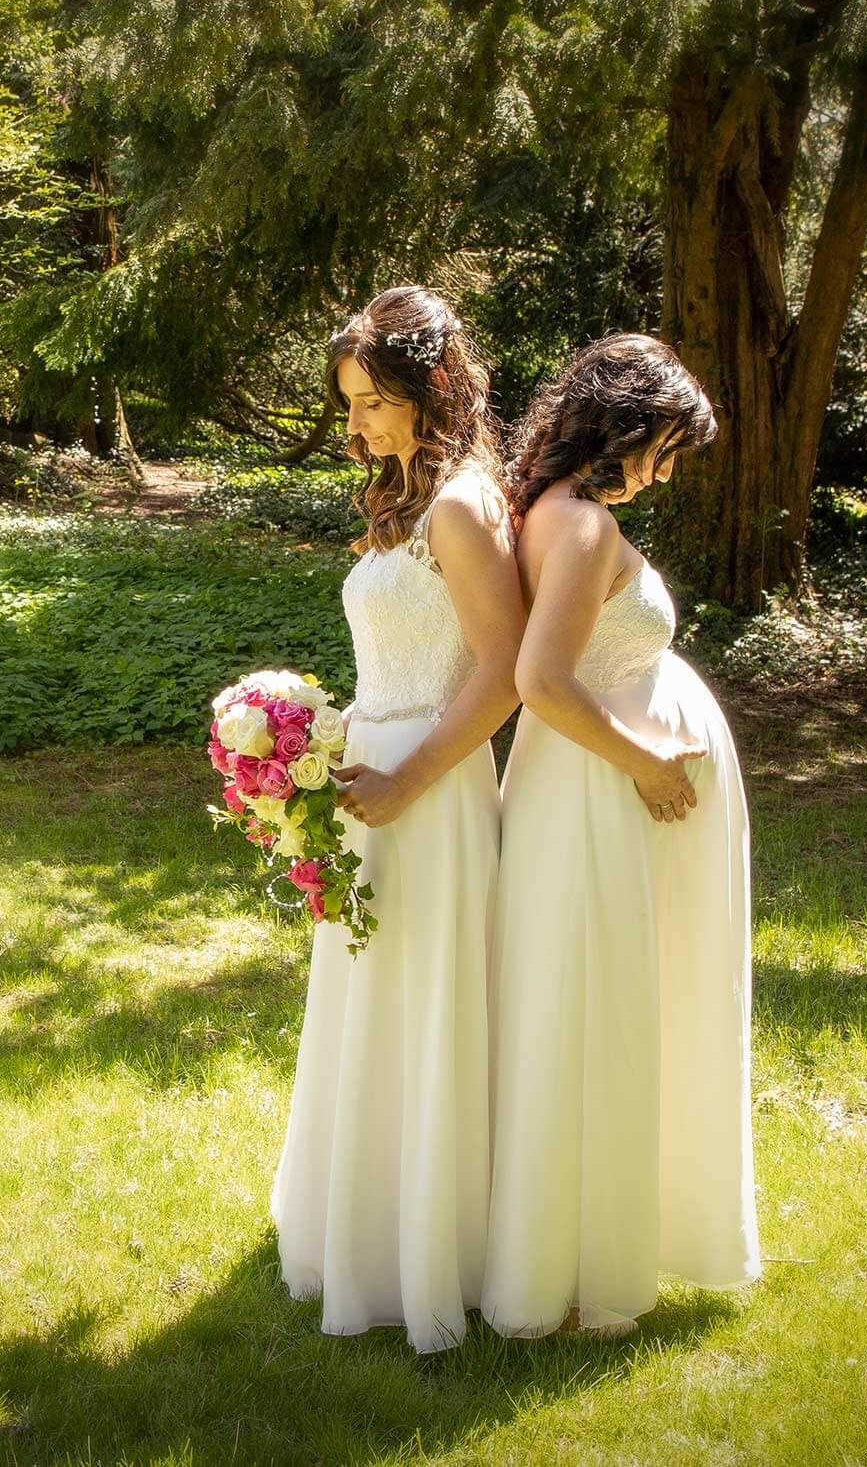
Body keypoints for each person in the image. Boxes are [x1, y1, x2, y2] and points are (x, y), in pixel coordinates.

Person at [482, 333, 764, 1340]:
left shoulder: (548, 511)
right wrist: (646, 760)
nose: (668, 472)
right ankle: (567, 1268)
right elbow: (542, 680)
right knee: (592, 1014)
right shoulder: (583, 524)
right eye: (667, 448)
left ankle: (575, 1245)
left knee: (590, 1004)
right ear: (628, 425)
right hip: (597, 793)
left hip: (586, 790)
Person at [269, 284, 524, 1353]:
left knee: (425, 1001)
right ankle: (367, 1222)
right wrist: (315, 743)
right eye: (349, 404)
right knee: (371, 999)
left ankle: (432, 1247)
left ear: (434, 386)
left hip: (430, 784)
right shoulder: (403, 498)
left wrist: (409, 777)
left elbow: (505, 671)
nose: (359, 423)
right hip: (371, 773)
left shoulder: (461, 505)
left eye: (373, 400)